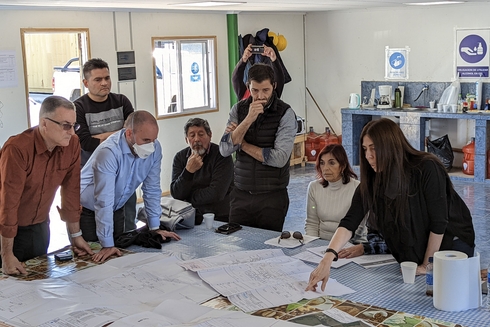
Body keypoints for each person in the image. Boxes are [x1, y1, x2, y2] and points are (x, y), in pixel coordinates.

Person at [306, 118, 475, 292]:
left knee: (442, 293)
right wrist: (327, 259)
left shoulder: (426, 167)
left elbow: (439, 222)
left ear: (390, 145)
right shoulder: (373, 180)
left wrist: (427, 266)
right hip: (415, 245)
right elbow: (349, 222)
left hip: (450, 243)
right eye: (365, 149)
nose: (368, 156)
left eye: (374, 148)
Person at [0, 96, 93, 275]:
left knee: (38, 281)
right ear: (44, 124)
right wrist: (6, 254)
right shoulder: (17, 149)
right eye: (66, 125)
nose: (72, 132)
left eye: (74, 126)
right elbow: (8, 204)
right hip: (5, 230)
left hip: (39, 225)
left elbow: (71, 192)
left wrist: (75, 236)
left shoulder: (72, 144)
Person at [79, 111, 181, 263]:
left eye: (154, 140)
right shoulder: (109, 152)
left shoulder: (154, 148)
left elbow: (152, 188)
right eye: (146, 140)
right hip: (87, 210)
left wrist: (155, 228)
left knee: (117, 259)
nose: (151, 146)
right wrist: (106, 244)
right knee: (91, 263)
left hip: (116, 207)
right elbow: (103, 200)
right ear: (128, 134)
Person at [220, 63, 297, 232]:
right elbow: (225, 150)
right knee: (238, 248)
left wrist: (242, 143)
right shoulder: (238, 109)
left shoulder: (285, 113)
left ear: (274, 87)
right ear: (249, 86)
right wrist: (248, 119)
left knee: (268, 250)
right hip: (240, 193)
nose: (260, 96)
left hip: (272, 197)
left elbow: (279, 158)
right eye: (255, 90)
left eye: (265, 90)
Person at [74, 58, 137, 231]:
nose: (104, 83)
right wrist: (120, 134)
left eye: (107, 78)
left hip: (124, 174)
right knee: (98, 225)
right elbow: (86, 143)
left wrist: (101, 137)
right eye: (98, 79)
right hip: (94, 178)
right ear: (86, 83)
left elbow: (133, 135)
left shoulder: (122, 101)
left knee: (127, 225)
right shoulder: (78, 107)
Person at [171, 118, 233, 224]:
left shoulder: (222, 155)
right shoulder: (180, 157)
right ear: (186, 139)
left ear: (209, 136)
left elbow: (216, 193)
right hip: (190, 215)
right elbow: (176, 193)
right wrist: (188, 171)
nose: (196, 139)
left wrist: (187, 198)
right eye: (192, 135)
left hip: (219, 215)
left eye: (201, 134)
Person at [305, 144, 366, 241]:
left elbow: (359, 229)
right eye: (322, 163)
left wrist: (335, 248)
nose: (325, 168)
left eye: (331, 163)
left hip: (349, 245)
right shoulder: (314, 187)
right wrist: (313, 245)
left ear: (342, 166)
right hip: (320, 245)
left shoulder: (358, 188)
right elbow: (312, 223)